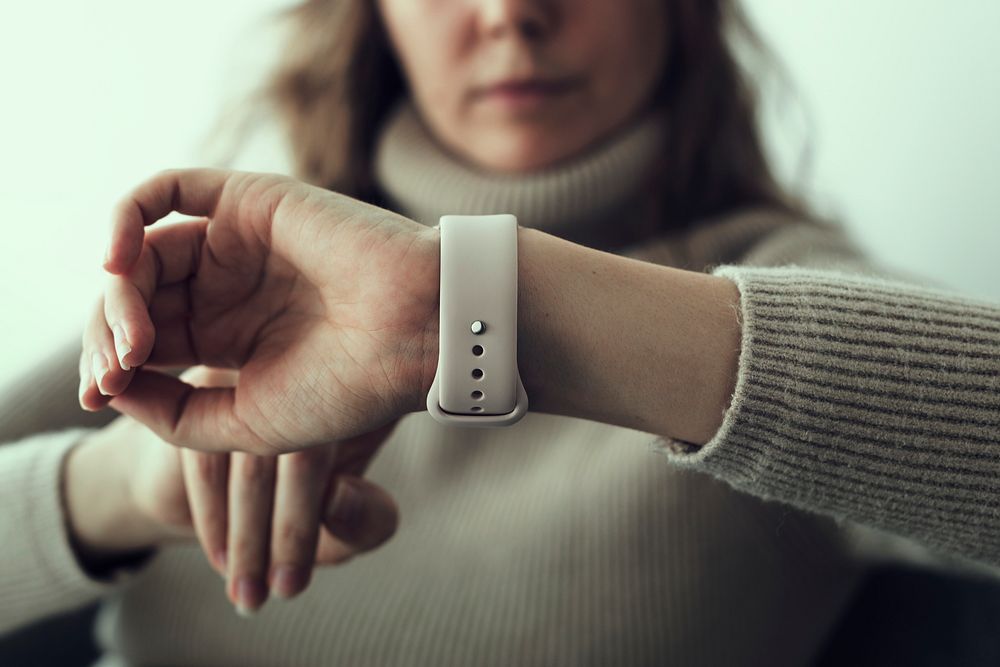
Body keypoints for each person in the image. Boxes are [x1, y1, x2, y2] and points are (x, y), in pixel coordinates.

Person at [2, 0, 999, 665]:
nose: (511, 14)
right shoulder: (220, 304)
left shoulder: (792, 289)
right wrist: (114, 492)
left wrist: (478, 301)